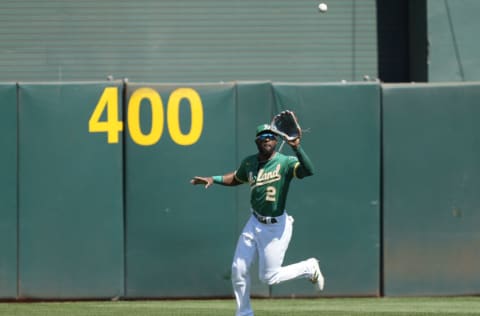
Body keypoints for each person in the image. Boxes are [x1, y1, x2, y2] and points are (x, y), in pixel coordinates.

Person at [190, 123, 324, 316]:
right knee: (238, 269)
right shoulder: (249, 163)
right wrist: (214, 179)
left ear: (277, 140)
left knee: (269, 278)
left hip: (276, 227)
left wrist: (296, 147)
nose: (267, 138)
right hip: (254, 222)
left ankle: (309, 267)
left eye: (271, 135)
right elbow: (236, 178)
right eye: (263, 136)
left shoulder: (285, 162)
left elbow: (308, 170)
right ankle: (244, 313)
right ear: (257, 141)